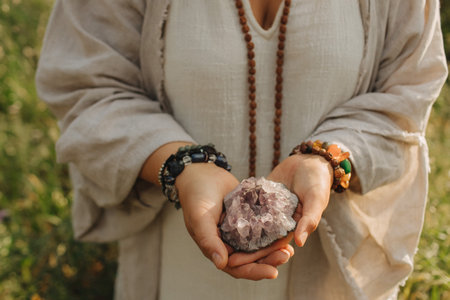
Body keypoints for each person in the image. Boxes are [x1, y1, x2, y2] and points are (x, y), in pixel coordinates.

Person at [36, 0, 447, 299]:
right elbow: (87, 90)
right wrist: (183, 166)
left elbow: (407, 95)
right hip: (178, 278)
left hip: (331, 283)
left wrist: (325, 160)